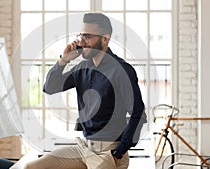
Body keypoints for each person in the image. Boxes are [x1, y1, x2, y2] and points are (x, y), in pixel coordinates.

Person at [11, 12, 146, 169]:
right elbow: (50, 87)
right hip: (84, 148)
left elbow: (138, 114)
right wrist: (63, 60)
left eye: (88, 36)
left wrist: (118, 153)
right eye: (81, 35)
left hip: (109, 151)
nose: (81, 41)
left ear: (105, 39)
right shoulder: (83, 68)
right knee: (30, 167)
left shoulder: (121, 70)